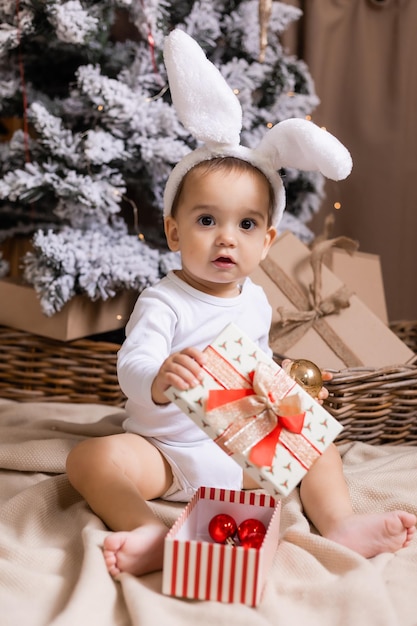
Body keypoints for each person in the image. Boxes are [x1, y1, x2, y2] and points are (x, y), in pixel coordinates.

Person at [66, 155, 416, 578]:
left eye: (246, 225)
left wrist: (288, 387)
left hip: (239, 451)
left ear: (267, 242)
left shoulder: (255, 301)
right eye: (208, 221)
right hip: (166, 454)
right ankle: (147, 531)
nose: (227, 239)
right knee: (91, 459)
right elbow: (132, 362)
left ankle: (340, 523)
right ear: (174, 232)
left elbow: (256, 366)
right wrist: (157, 379)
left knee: (318, 446)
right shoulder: (164, 302)